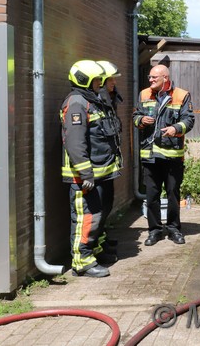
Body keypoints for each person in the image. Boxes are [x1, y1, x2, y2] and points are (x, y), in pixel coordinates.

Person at [61, 60, 122, 277]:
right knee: (86, 218)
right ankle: (82, 262)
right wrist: (86, 173)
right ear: (85, 79)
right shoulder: (77, 103)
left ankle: (94, 250)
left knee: (98, 214)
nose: (100, 83)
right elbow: (76, 143)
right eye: (97, 79)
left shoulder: (91, 100)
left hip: (99, 173)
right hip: (84, 176)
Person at [133, 64, 195, 246]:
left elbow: (189, 120)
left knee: (173, 195)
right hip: (150, 156)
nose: (150, 80)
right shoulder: (144, 94)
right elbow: (135, 115)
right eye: (149, 77)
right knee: (151, 196)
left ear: (165, 79)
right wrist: (141, 120)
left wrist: (175, 128)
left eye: (154, 77)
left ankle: (174, 229)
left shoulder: (182, 95)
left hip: (172, 157)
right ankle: (154, 231)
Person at [95, 60, 123, 254]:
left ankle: (101, 240)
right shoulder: (98, 101)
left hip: (107, 165)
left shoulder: (109, 100)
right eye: (111, 79)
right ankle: (95, 246)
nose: (114, 82)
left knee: (106, 206)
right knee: (97, 210)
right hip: (96, 168)